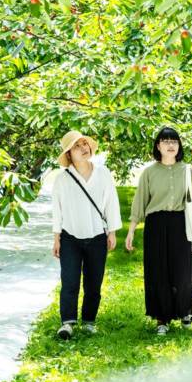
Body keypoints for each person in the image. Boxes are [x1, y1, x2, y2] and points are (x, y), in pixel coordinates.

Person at [125, 127, 192, 336]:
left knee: (182, 269)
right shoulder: (149, 172)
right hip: (155, 224)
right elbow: (139, 204)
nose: (170, 145)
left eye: (174, 141)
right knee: (158, 271)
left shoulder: (188, 170)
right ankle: (161, 318)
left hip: (179, 222)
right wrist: (130, 231)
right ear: (158, 146)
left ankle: (185, 312)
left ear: (179, 145)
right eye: (165, 141)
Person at [51, 130, 122, 339]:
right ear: (68, 154)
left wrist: (112, 231)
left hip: (97, 236)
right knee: (70, 281)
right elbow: (57, 209)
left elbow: (111, 203)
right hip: (70, 237)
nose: (83, 148)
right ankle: (68, 322)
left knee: (94, 282)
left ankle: (89, 320)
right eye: (77, 146)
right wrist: (56, 238)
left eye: (85, 144)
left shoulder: (103, 173)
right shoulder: (62, 180)